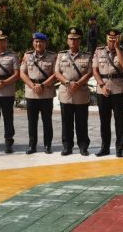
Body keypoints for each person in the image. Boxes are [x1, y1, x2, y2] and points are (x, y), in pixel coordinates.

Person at [92, 29, 123, 157]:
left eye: (114, 40)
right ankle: (105, 147)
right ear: (106, 39)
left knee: (119, 120)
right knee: (104, 120)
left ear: (118, 39)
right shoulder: (99, 51)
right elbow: (95, 70)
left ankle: (119, 148)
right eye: (110, 39)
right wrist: (102, 86)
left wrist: (117, 48)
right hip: (103, 88)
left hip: (118, 89)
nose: (112, 42)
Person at [54, 27, 93, 156]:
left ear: (79, 41)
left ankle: (83, 146)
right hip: (66, 92)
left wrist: (78, 83)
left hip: (80, 92)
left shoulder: (86, 56)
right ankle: (67, 146)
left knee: (82, 122)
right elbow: (57, 72)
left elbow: (89, 72)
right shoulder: (61, 55)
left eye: (75, 39)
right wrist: (67, 83)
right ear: (67, 40)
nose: (73, 42)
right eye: (71, 39)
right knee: (66, 122)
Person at [20, 32, 58, 154]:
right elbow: (22, 73)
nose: (38, 44)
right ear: (33, 43)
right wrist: (32, 86)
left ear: (45, 43)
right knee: (32, 121)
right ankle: (32, 145)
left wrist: (42, 85)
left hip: (46, 92)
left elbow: (55, 74)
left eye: (41, 42)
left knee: (47, 120)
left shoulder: (52, 57)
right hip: (31, 92)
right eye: (36, 41)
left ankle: (48, 145)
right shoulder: (27, 56)